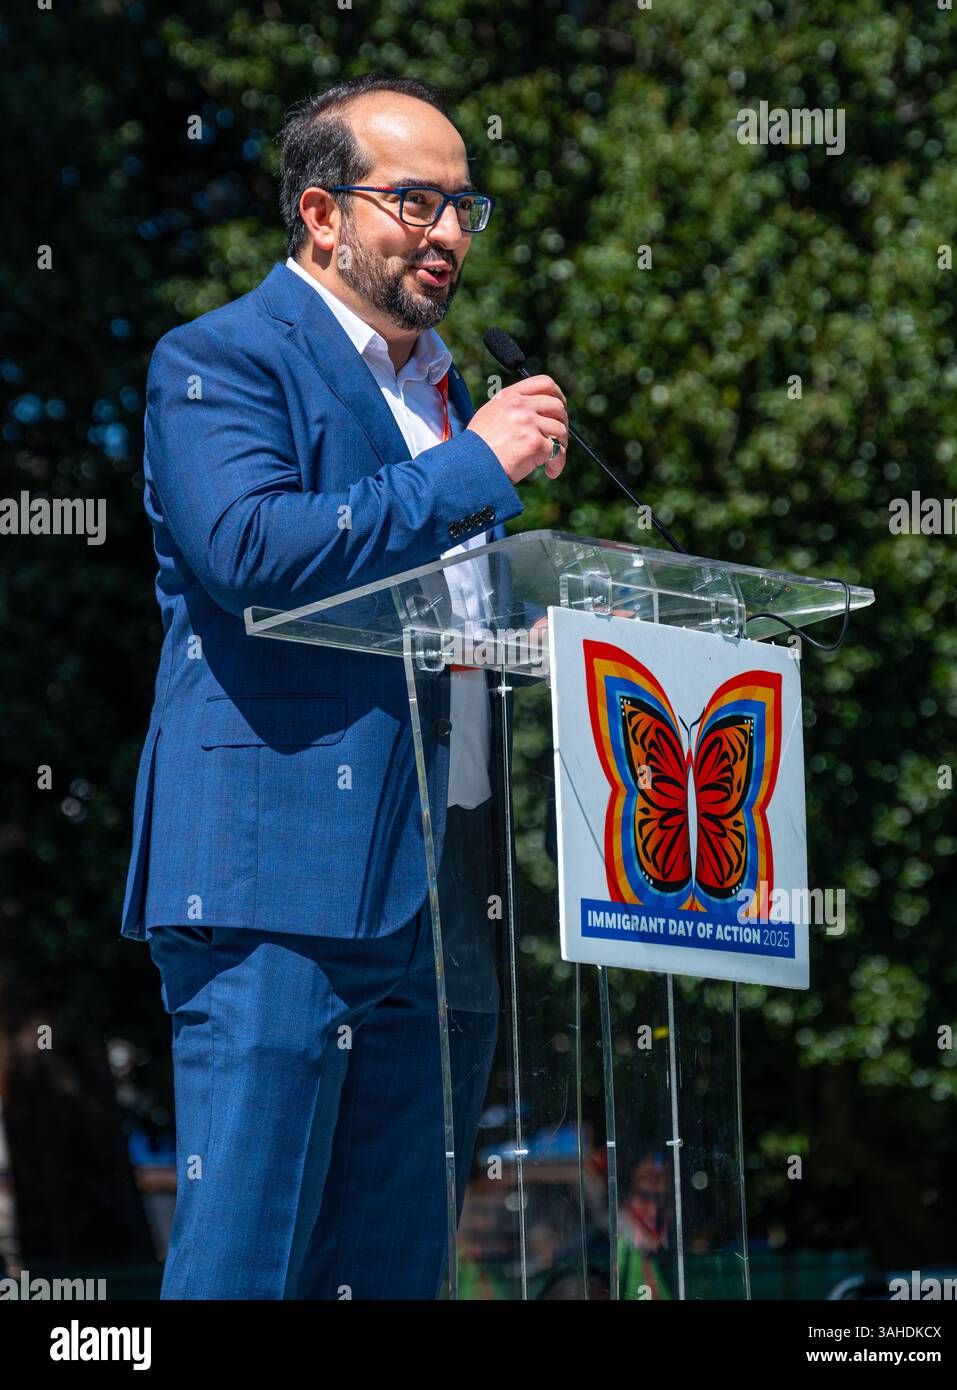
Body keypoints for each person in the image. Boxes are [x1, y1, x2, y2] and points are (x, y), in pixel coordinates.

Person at [119, 72, 569, 1299]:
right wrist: (473, 469)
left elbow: (449, 614)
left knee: (389, 1268)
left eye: (464, 203)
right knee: (244, 1265)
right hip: (281, 872)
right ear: (321, 212)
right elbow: (254, 554)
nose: (451, 232)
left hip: (444, 884)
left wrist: (562, 621)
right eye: (415, 199)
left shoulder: (443, 391)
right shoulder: (216, 357)